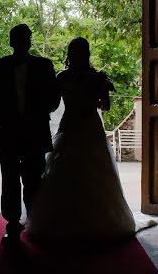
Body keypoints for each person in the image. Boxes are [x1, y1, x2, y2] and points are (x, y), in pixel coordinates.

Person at [27, 37, 141, 247]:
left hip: (70, 125)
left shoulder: (62, 77)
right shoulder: (97, 78)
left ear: (69, 54)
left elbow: (51, 106)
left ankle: (61, 223)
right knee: (93, 174)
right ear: (87, 53)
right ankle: (98, 222)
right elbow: (105, 107)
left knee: (66, 173)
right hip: (88, 126)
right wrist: (94, 98)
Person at [0, 24, 60, 245]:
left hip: (34, 134)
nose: (22, 41)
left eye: (24, 37)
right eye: (18, 37)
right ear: (12, 42)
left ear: (29, 41)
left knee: (33, 180)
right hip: (7, 134)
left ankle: (34, 221)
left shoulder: (44, 66)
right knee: (9, 181)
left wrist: (38, 110)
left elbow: (54, 100)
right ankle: (12, 225)